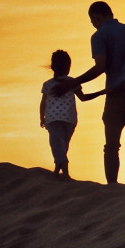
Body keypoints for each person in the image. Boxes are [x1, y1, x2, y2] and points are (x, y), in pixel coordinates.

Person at [59, 2, 125, 187]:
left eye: (93, 21)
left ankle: (113, 188)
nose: (93, 24)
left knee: (112, 146)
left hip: (117, 96)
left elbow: (100, 67)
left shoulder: (99, 36)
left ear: (97, 17)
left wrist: (73, 82)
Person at [39, 50, 104, 179]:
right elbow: (83, 98)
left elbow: (43, 103)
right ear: (68, 67)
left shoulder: (48, 84)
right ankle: (58, 170)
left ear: (52, 67)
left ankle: (65, 173)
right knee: (62, 145)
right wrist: (101, 92)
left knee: (57, 144)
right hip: (70, 119)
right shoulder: (72, 82)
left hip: (53, 119)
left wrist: (42, 117)